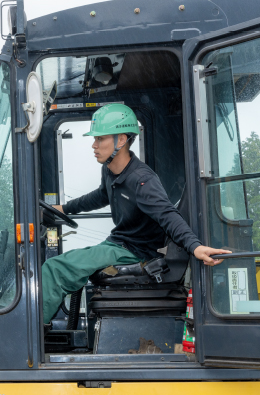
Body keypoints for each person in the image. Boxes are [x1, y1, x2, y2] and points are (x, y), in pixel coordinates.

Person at [42, 103, 230, 324]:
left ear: (120, 140)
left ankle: (32, 337)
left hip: (136, 252)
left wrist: (195, 246)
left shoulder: (142, 180)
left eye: (100, 139)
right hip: (118, 244)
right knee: (66, 265)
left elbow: (168, 215)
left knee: (54, 268)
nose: (94, 145)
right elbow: (101, 195)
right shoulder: (110, 169)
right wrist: (63, 209)